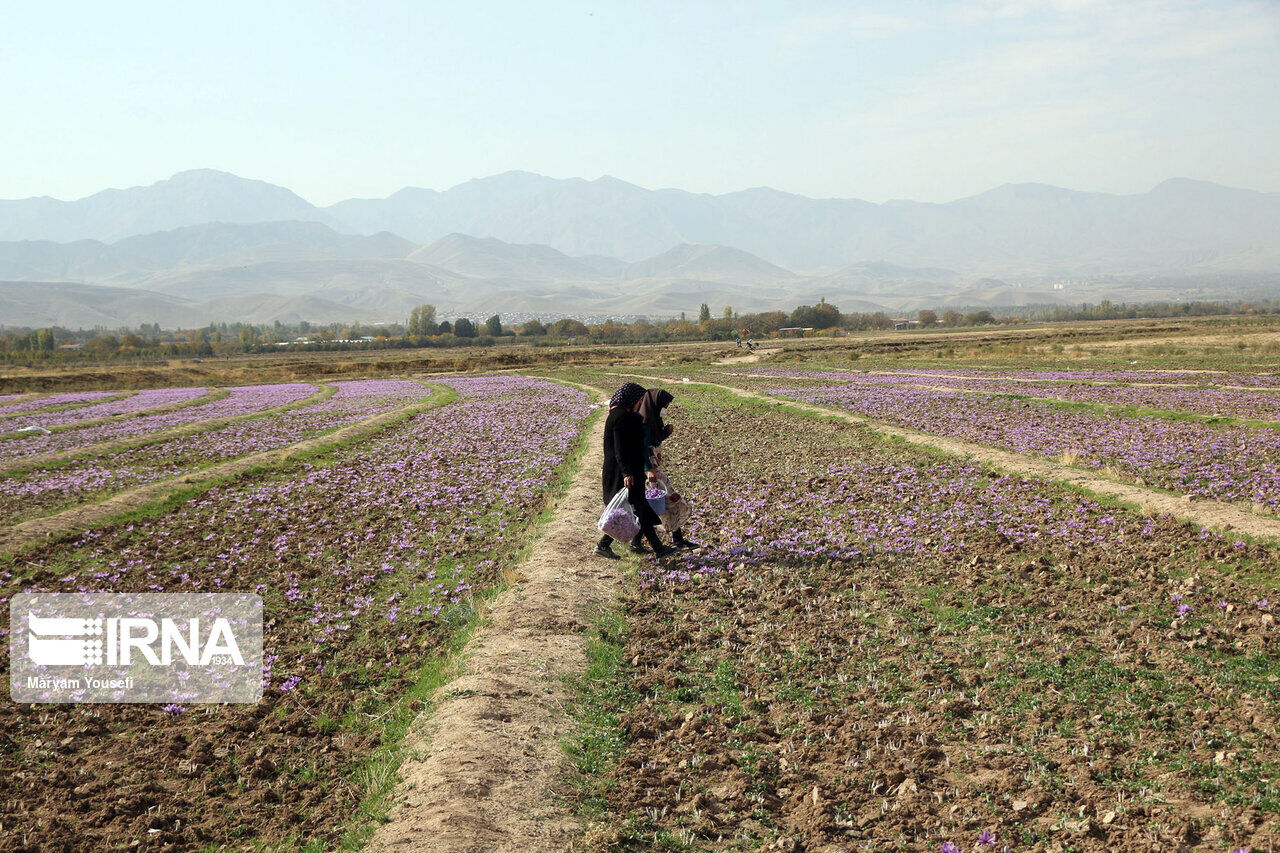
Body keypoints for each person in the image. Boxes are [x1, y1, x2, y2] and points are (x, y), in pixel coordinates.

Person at [595, 382, 677, 560]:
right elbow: (620, 449)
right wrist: (627, 473)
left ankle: (651, 547)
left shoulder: (624, 415)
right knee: (628, 510)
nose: (640, 403)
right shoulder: (620, 417)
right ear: (631, 398)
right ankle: (604, 545)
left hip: (629, 470)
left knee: (639, 509)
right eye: (639, 399)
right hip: (622, 473)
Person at [636, 388, 700, 549]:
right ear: (655, 404)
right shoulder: (643, 423)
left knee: (654, 506)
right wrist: (648, 469)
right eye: (665, 404)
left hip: (656, 469)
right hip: (651, 471)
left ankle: (637, 542)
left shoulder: (653, 419)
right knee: (669, 502)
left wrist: (665, 432)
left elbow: (655, 440)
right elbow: (642, 447)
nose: (666, 408)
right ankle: (675, 540)